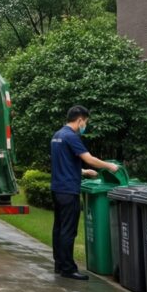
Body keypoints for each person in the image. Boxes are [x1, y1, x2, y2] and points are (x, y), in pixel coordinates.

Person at [50, 105, 119, 281]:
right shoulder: (71, 136)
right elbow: (89, 159)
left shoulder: (57, 135)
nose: (85, 126)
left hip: (57, 188)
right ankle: (68, 269)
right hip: (68, 190)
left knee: (59, 228)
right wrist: (110, 166)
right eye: (85, 122)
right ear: (80, 120)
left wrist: (83, 171)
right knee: (68, 230)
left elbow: (63, 163)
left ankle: (59, 264)